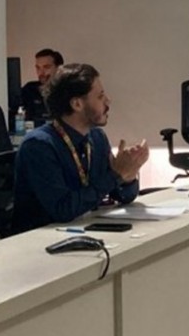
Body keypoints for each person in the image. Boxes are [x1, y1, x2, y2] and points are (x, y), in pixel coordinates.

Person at [13, 64, 149, 233]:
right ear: (77, 104)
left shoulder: (97, 138)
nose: (108, 101)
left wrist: (128, 175)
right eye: (100, 96)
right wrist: (116, 174)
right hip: (40, 243)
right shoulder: (39, 146)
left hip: (85, 231)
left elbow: (123, 195)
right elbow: (63, 210)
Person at [20, 48, 64, 124]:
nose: (41, 72)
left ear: (59, 68)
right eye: (38, 68)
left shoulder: (68, 91)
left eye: (46, 67)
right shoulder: (29, 89)